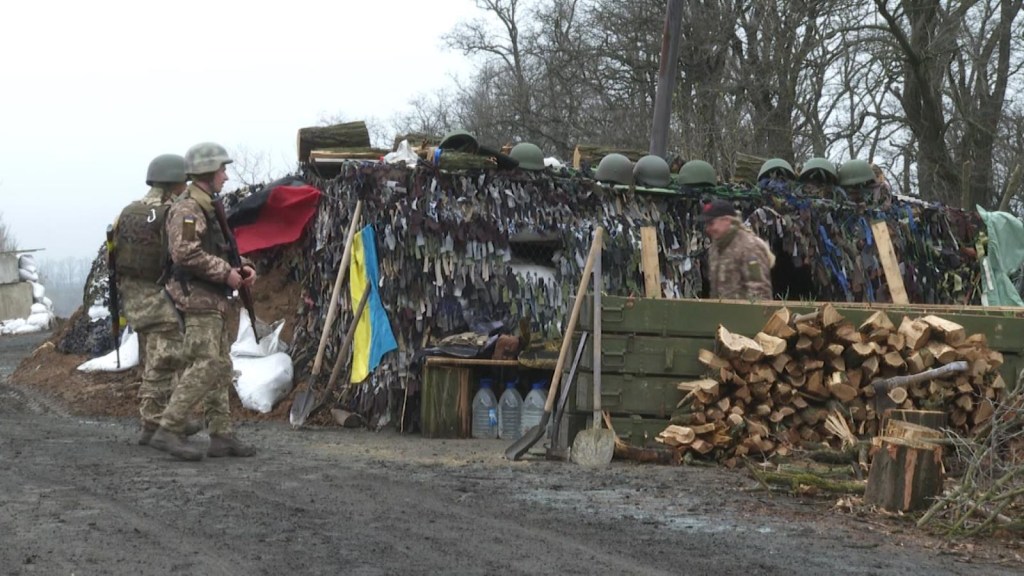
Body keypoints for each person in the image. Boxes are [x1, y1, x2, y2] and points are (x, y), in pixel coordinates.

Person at [148, 142, 257, 461]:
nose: (226, 175)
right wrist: (226, 273)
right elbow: (184, 252)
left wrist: (244, 267)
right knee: (207, 363)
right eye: (222, 169)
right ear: (208, 172)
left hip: (213, 298)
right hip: (196, 298)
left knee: (220, 367)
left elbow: (218, 249)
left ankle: (221, 436)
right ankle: (168, 429)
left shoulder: (208, 204)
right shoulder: (189, 207)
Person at [114, 154, 201, 445]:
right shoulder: (176, 212)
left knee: (157, 356)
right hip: (160, 294)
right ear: (176, 182)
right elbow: (186, 252)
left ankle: (166, 418)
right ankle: (154, 424)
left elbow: (112, 254)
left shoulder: (128, 211)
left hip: (133, 296)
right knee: (166, 358)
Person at [701, 198, 775, 300]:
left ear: (726, 220)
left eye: (711, 223)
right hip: (722, 314)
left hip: (743, 314)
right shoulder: (716, 247)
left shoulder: (749, 246)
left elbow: (760, 293)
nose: (708, 229)